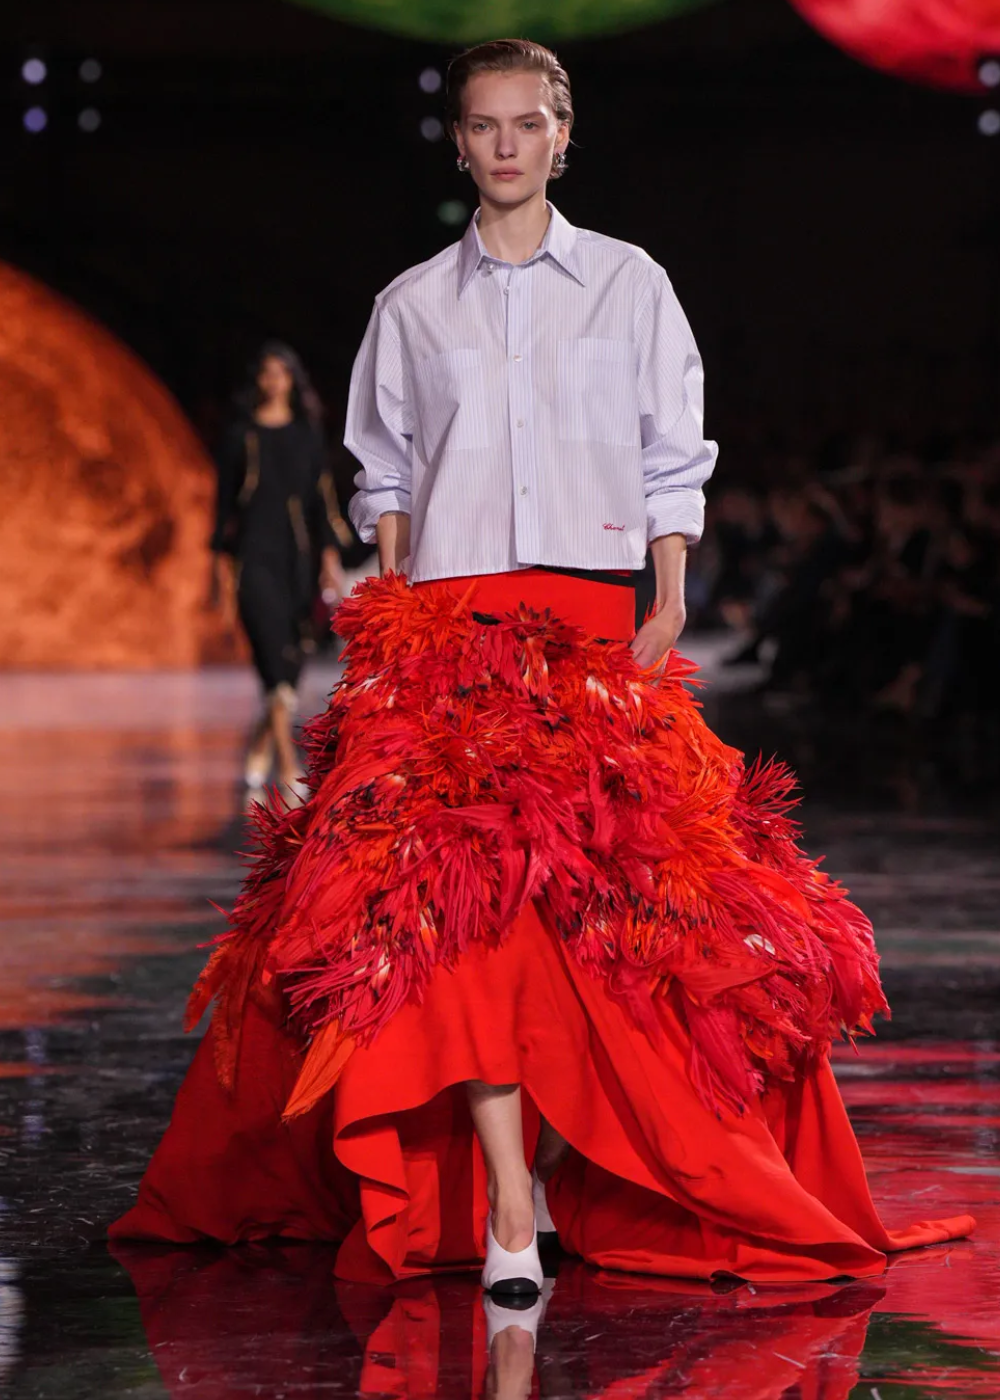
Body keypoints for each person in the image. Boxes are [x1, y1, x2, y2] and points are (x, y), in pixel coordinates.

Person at [113, 40, 972, 1314]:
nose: (505, 144)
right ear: (456, 142)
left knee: (615, 928)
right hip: (448, 629)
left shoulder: (629, 286)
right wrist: (391, 623)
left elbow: (670, 448)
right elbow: (387, 472)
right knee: (455, 931)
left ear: (563, 136)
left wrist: (670, 590)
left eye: (528, 123)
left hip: (591, 621)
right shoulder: (411, 305)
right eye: (482, 124)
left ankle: (573, 1176)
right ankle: (511, 1200)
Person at [211, 342, 348, 800]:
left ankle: (258, 746)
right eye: (266, 373)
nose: (273, 382)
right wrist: (218, 565)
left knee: (290, 658)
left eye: (282, 373)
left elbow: (322, 501)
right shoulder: (241, 435)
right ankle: (288, 765)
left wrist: (329, 560)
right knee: (271, 652)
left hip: (298, 557)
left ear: (292, 380)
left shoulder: (307, 434)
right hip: (253, 555)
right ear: (258, 380)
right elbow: (223, 504)